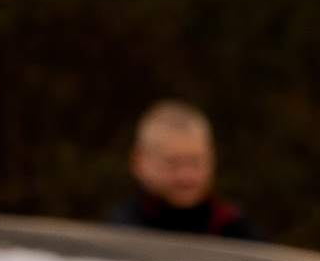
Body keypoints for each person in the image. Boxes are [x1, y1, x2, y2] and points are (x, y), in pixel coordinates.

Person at [108, 100, 261, 241]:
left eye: (195, 162)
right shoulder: (119, 233)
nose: (186, 176)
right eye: (172, 163)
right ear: (139, 161)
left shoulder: (235, 228)